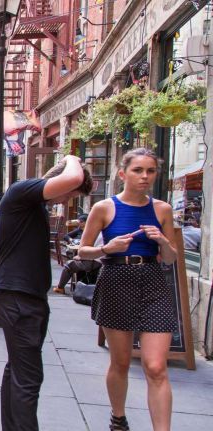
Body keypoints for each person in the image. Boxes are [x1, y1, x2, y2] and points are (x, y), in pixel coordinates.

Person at [78, 148, 177, 431]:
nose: (145, 176)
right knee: (120, 362)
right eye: (138, 170)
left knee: (156, 366)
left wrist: (163, 242)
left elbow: (170, 259)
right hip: (116, 281)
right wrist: (106, 248)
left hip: (153, 283)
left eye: (150, 171)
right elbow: (83, 252)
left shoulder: (162, 210)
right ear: (123, 174)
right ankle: (118, 417)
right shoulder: (104, 208)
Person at [0, 154, 93, 431]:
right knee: (29, 378)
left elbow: (72, 181)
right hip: (19, 298)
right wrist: (73, 156)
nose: (65, 201)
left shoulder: (33, 204)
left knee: (18, 372)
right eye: (68, 194)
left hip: (23, 298)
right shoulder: (21, 192)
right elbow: (73, 176)